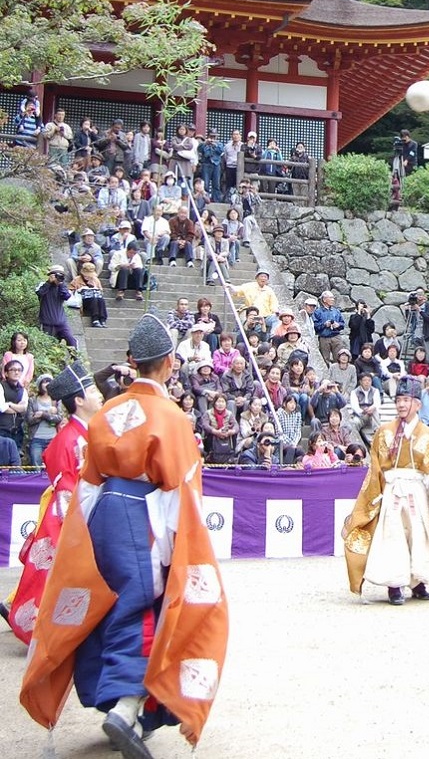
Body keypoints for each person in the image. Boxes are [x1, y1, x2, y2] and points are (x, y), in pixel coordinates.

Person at [20, 314, 229, 755]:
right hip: (147, 514)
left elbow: (88, 485)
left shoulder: (109, 411)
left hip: (102, 516)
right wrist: (176, 551)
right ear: (170, 363)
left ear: (133, 363)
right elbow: (180, 490)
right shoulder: (171, 417)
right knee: (145, 605)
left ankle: (126, 704)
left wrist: (85, 540)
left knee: (106, 601)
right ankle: (128, 706)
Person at [343, 375, 429, 605]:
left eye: (406, 400)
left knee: (420, 534)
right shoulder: (384, 432)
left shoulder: (428, 435)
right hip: (393, 489)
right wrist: (376, 494)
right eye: (398, 400)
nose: (401, 404)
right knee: (393, 534)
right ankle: (395, 584)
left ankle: (419, 581)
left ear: (417, 403)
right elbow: (376, 467)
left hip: (417, 490)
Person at [6, 361, 103, 645]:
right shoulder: (67, 439)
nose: (99, 395)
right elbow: (66, 488)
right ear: (80, 400)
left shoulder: (86, 433)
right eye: (93, 390)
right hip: (68, 517)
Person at [36, 264, 78, 348]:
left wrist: (61, 284)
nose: (59, 277)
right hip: (47, 323)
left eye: (61, 275)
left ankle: (76, 360)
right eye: (57, 274)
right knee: (48, 346)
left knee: (71, 341)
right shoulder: (43, 285)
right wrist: (49, 282)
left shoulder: (62, 287)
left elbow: (66, 296)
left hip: (61, 322)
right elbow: (40, 293)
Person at [26, 374, 61, 467]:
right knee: (36, 466)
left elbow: (59, 418)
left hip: (53, 438)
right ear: (40, 384)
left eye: (49, 381)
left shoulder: (56, 400)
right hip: (36, 438)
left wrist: (42, 414)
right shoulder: (33, 400)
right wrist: (48, 414)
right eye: (44, 382)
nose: (47, 384)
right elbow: (29, 420)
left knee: (53, 466)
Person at [69, 261, 108, 328]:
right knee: (94, 299)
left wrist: (94, 287)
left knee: (100, 299)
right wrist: (79, 290)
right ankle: (95, 319)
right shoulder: (77, 280)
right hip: (83, 300)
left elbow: (100, 291)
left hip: (94, 298)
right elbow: (70, 290)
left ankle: (102, 319)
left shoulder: (96, 280)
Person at [313, 290, 345, 363]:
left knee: (339, 357)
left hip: (336, 337)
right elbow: (315, 326)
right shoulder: (318, 312)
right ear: (324, 299)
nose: (333, 299)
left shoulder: (336, 311)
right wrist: (324, 325)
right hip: (324, 338)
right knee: (324, 359)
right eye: (331, 298)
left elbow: (342, 324)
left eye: (333, 298)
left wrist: (338, 325)